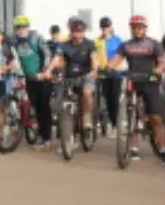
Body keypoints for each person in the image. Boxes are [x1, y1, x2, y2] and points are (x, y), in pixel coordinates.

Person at [107, 15, 165, 163]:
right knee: (132, 115)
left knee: (155, 117)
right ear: (131, 29)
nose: (137, 30)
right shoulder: (126, 45)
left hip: (150, 81)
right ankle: (133, 147)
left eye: (140, 27)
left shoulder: (154, 44)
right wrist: (108, 68)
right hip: (132, 81)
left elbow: (162, 62)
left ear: (145, 28)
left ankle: (163, 148)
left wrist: (158, 71)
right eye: (134, 27)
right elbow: (116, 59)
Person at [39, 16, 99, 148]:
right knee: (60, 105)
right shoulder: (64, 45)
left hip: (86, 76)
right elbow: (56, 59)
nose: (78, 34)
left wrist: (94, 69)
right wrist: (48, 71)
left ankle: (87, 118)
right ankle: (67, 136)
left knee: (87, 92)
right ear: (71, 32)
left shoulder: (90, 44)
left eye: (81, 31)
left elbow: (94, 58)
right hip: (69, 78)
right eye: (75, 31)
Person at [11, 15, 52, 148]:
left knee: (43, 106)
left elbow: (47, 54)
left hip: (41, 77)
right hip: (28, 78)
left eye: (23, 27)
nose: (21, 30)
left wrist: (45, 71)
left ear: (28, 27)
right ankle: (39, 132)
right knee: (33, 106)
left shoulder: (37, 37)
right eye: (18, 27)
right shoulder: (14, 40)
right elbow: (11, 56)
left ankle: (46, 137)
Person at [95, 16, 124, 125]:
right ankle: (108, 122)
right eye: (103, 27)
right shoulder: (98, 41)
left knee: (114, 98)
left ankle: (115, 123)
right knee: (106, 98)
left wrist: (116, 66)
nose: (105, 29)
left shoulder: (118, 40)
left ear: (111, 27)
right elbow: (95, 56)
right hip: (103, 73)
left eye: (107, 26)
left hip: (116, 73)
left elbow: (121, 56)